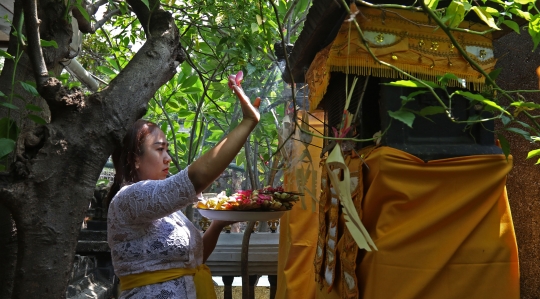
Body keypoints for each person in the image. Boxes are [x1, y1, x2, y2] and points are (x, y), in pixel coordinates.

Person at [106, 76, 260, 298]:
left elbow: (192, 263)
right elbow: (197, 177)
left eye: (167, 150)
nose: (168, 158)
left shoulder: (168, 211)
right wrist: (247, 122)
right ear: (135, 159)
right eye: (159, 150)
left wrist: (217, 225)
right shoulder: (129, 198)